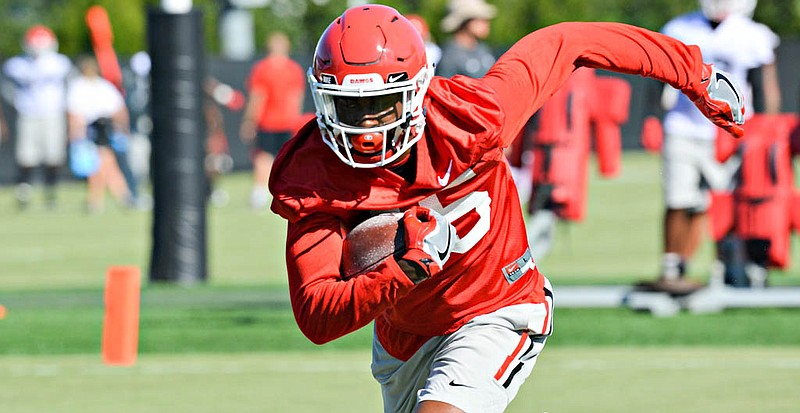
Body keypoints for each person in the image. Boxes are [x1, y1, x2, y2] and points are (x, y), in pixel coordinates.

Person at [268, 5, 744, 413]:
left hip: (497, 306)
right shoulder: (314, 176)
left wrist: (692, 71)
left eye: (383, 105)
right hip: (404, 337)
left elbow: (569, 41)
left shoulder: (474, 116)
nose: (366, 129)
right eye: (351, 108)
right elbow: (317, 315)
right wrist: (404, 270)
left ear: (415, 93)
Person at [637, 0, 780, 294]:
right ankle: (673, 267)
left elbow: (763, 87)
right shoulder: (679, 29)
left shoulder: (753, 34)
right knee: (679, 198)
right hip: (683, 127)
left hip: (730, 130)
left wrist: (762, 130)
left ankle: (727, 266)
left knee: (727, 202)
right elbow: (656, 77)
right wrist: (651, 118)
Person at [2, 25, 72, 210]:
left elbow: (68, 88)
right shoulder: (17, 65)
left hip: (52, 114)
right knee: (26, 155)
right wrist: (17, 101)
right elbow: (6, 87)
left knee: (53, 155)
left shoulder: (60, 63)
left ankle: (51, 194)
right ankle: (24, 191)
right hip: (28, 114)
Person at [239, 31, 306, 211]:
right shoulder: (294, 69)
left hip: (268, 121)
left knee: (264, 157)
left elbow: (257, 97)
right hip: (288, 121)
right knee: (289, 159)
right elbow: (297, 98)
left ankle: (260, 194)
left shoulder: (262, 68)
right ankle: (290, 193)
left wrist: (249, 121)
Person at [66, 55, 131, 213]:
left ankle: (103, 199)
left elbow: (74, 114)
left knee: (102, 164)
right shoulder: (97, 86)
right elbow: (119, 110)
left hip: (97, 128)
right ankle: (120, 196)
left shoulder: (86, 86)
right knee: (104, 164)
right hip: (96, 128)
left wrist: (74, 134)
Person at [436, 0, 497, 79]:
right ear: (465, 22)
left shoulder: (483, 49)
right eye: (480, 18)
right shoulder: (450, 57)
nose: (486, 22)